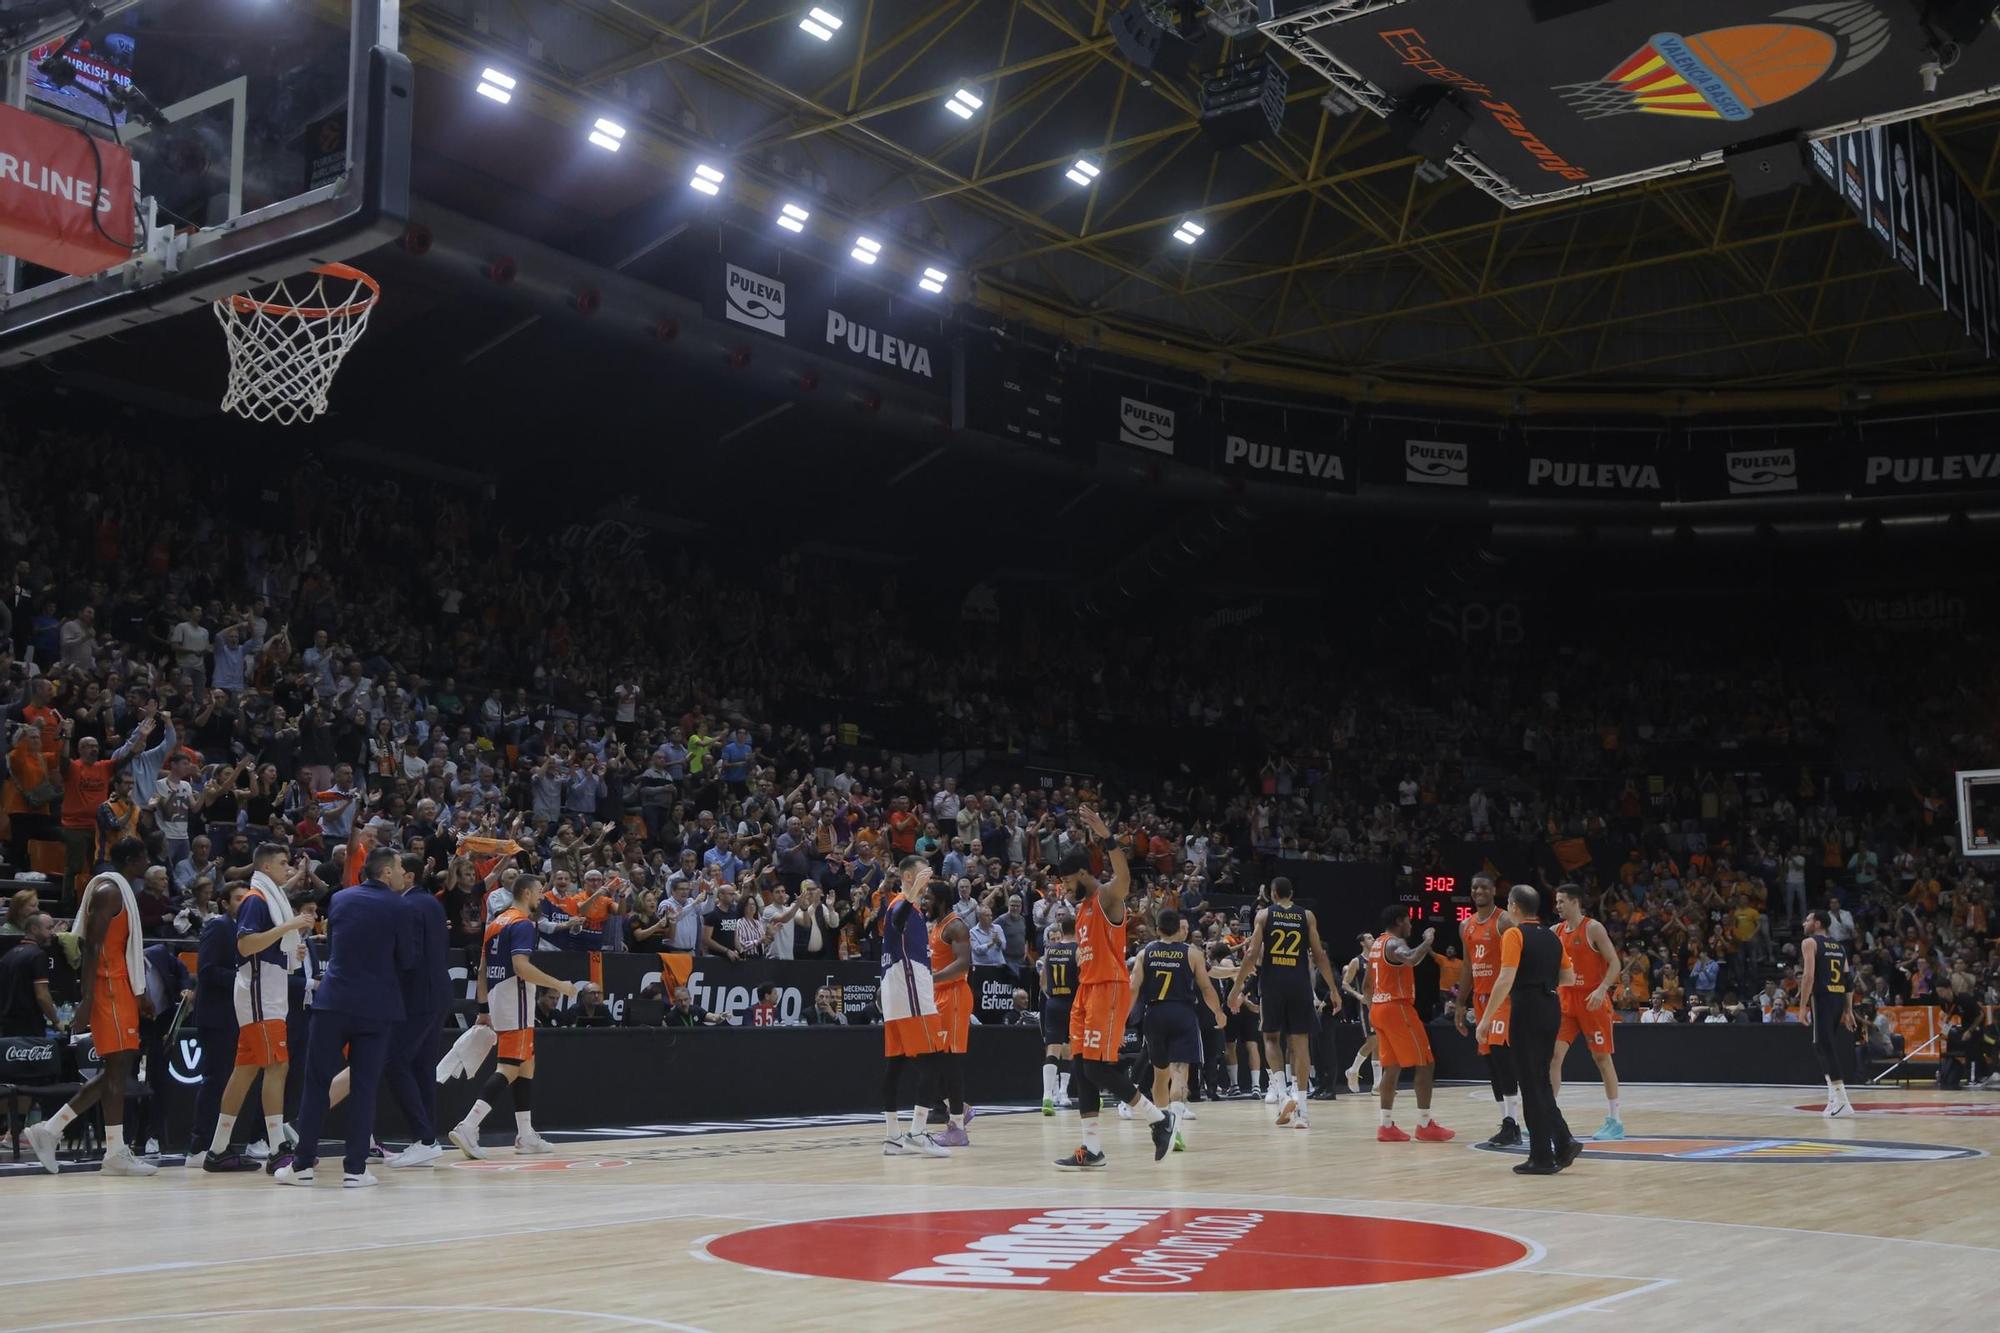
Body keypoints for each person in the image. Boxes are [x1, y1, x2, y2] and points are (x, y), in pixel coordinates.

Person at [278, 846, 417, 1187]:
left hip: (334, 1000)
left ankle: (302, 1166)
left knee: (316, 1084)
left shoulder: (339, 899)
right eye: (400, 868)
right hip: (377, 1005)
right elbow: (408, 959)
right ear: (386, 873)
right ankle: (355, 1169)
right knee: (365, 1087)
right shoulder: (401, 905)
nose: (403, 874)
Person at [23, 837, 158, 1176]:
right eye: (145, 858)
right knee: (117, 1069)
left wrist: (139, 992)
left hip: (122, 987)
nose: (148, 864)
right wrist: (86, 998)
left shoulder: (120, 892)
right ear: (133, 859)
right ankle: (113, 1152)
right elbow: (91, 947)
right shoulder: (109, 892)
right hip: (107, 987)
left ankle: (52, 1130)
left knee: (118, 1070)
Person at [1055, 807, 1174, 1169]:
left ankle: (1159, 1118)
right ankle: (1091, 1149)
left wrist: (1107, 837)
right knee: (1080, 1066)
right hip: (1086, 992)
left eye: (1066, 881)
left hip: (1108, 989)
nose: (1064, 889)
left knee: (1097, 1070)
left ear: (1080, 873)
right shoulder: (1081, 910)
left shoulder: (1108, 897)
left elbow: (1123, 877)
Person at [202, 844, 316, 1176]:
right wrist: (289, 927)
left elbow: (264, 947)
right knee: (278, 1066)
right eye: (283, 863)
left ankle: (218, 1149)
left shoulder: (270, 898)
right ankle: (278, 1146)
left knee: (246, 1070)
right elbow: (245, 944)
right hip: (258, 993)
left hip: (267, 990)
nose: (287, 868)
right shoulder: (256, 899)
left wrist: (288, 950)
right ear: (266, 868)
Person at [448, 874, 578, 1159]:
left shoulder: (496, 922)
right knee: (508, 1067)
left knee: (525, 1064)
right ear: (527, 893)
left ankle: (526, 1134)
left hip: (498, 999)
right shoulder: (522, 924)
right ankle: (468, 1126)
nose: (542, 897)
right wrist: (560, 985)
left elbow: (482, 969)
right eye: (540, 892)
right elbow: (521, 967)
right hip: (515, 999)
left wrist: (483, 1009)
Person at [1478, 885, 1582, 1176]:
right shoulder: (1552, 935)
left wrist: (1485, 1020)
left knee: (1529, 1083)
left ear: (1513, 906)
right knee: (1540, 1081)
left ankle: (1542, 1156)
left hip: (1527, 1009)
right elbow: (1569, 977)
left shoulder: (1514, 934)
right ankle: (1562, 1141)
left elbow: (1505, 979)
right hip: (1551, 1007)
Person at [1229, 876, 1339, 1126]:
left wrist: (1236, 988)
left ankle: (1280, 1095)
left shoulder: (1264, 915)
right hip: (1299, 983)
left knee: (1270, 1038)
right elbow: (1319, 955)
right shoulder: (1307, 916)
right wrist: (1333, 988)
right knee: (1300, 1042)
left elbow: (1251, 954)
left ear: (1273, 893)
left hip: (1272, 983)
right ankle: (1302, 1109)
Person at [1132, 908, 1227, 1150]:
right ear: (1179, 930)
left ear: (1159, 929)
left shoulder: (1145, 953)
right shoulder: (1192, 954)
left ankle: (1162, 1125)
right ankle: (1175, 1132)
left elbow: (1133, 989)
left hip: (1154, 1015)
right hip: (1182, 1014)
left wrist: (1120, 1019)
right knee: (1179, 1074)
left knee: (1160, 1075)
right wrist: (1218, 1012)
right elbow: (1206, 988)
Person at [878, 855, 951, 1158]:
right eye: (924, 875)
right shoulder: (900, 905)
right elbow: (895, 921)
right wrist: (909, 896)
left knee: (895, 1065)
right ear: (908, 877)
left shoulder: (913, 909)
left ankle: (893, 1136)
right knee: (933, 1061)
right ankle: (917, 1132)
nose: (929, 880)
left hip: (895, 990)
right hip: (909, 988)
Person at [1367, 907, 1452, 1143]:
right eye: (1408, 921)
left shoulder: (1376, 945)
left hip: (1378, 1007)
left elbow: (1366, 985)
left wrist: (1374, 1009)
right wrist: (1428, 941)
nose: (1411, 926)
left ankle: (1386, 1125)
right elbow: (1412, 958)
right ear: (1399, 922)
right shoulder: (1394, 944)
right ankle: (1425, 1124)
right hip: (1397, 1008)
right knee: (1426, 1063)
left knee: (1392, 1068)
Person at [187, 882, 256, 1170]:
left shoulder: (245, 931)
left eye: (246, 898)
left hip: (236, 1016)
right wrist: (246, 980)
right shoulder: (219, 926)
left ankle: (220, 1145)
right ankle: (200, 1146)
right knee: (216, 1080)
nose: (243, 902)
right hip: (217, 1016)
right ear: (225, 903)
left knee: (227, 1081)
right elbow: (208, 971)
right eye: (238, 898)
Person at [1551, 884, 1626, 1140]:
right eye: (1556, 902)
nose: (1557, 906)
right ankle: (1548, 1115)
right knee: (1554, 1056)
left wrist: (1603, 988)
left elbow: (1615, 962)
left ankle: (1615, 1121)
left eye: (1561, 901)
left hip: (1592, 999)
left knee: (1601, 1059)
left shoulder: (1593, 928)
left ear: (1574, 902)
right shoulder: (1556, 931)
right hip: (1566, 1000)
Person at [1452, 876, 1521, 1145]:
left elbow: (1519, 954)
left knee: (1503, 1056)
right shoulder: (1465, 925)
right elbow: (1468, 966)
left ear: (1494, 891)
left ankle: (1513, 1121)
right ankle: (1507, 1121)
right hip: (1480, 999)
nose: (1478, 891)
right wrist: (1460, 1002)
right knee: (1491, 1060)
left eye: (1484, 887)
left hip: (1503, 996)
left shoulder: (1504, 921)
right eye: (1474, 888)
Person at [917, 880, 975, 1145]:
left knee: (949, 1061)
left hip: (953, 996)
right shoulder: (937, 925)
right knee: (931, 1058)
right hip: (938, 995)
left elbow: (964, 964)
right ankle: (960, 1107)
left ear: (940, 899)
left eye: (928, 898)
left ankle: (957, 1128)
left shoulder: (955, 925)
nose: (924, 902)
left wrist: (934, 978)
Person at [128, 939, 192, 1157]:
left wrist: (185, 987)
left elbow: (181, 969)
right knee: (129, 1083)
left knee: (159, 1082)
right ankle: (128, 1137)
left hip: (163, 1023)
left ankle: (152, 1136)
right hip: (135, 1025)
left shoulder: (159, 953)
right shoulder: (123, 971)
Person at [1799, 911, 1856, 1118]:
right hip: (1838, 999)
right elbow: (1848, 979)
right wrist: (1848, 1010)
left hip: (1822, 998)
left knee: (1825, 1046)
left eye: (1807, 919)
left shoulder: (1809, 942)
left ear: (1817, 923)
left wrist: (1803, 1005)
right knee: (1820, 1045)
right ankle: (1833, 1097)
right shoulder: (1839, 947)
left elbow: (1808, 975)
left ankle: (1842, 1100)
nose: (1804, 922)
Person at [1038, 916, 1077, 1114]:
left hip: (1053, 1002)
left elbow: (1042, 982)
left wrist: (1052, 995)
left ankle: (1047, 1096)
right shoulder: (1078, 950)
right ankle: (1063, 1092)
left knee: (1052, 1049)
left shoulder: (1050, 951)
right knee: (1069, 1048)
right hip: (1072, 1002)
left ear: (1062, 930)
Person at [1340, 938, 1380, 1092]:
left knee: (1379, 1043)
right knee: (1372, 1041)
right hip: (1366, 1006)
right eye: (1369, 938)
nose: (1373, 939)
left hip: (1380, 1003)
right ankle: (1353, 1070)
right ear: (1362, 943)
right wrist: (1359, 996)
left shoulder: (1377, 959)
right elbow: (1345, 983)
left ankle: (1377, 1085)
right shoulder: (1357, 961)